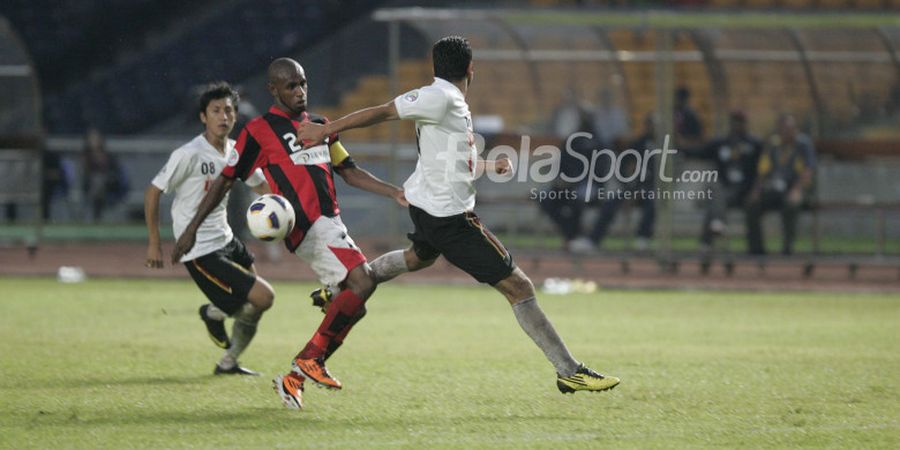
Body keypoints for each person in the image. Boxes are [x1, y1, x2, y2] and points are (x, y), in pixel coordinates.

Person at [299, 36, 620, 396]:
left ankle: (347, 287)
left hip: (427, 208)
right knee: (520, 287)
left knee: (416, 258)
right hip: (449, 218)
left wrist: (486, 165)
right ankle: (569, 370)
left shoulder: (448, 104)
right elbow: (382, 111)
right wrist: (325, 130)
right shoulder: (441, 97)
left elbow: (448, 158)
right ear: (470, 69)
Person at [171, 58, 406, 410]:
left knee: (353, 307)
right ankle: (314, 351)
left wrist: (395, 192)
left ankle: (295, 376)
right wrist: (191, 229)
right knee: (362, 281)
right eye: (291, 86)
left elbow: (350, 172)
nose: (299, 92)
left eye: (303, 83)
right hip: (309, 225)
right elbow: (226, 180)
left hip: (332, 223)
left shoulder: (322, 126)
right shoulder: (258, 131)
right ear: (273, 90)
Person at [145, 82, 275, 376]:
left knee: (256, 306)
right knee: (263, 297)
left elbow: (262, 186)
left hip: (228, 239)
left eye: (228, 110)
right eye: (215, 110)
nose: (223, 116)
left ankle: (227, 360)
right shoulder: (189, 154)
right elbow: (153, 192)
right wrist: (154, 243)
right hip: (200, 249)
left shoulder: (236, 153)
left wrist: (282, 211)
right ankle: (213, 313)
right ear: (204, 117)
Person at [580, 113, 658, 251]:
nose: (652, 129)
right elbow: (622, 166)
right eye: (650, 125)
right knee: (610, 203)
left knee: (653, 200)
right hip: (635, 188)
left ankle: (643, 237)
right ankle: (593, 240)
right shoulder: (639, 144)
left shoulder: (667, 145)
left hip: (656, 190)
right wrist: (630, 186)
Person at [687, 111, 762, 249]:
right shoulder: (720, 143)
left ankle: (707, 242)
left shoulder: (755, 145)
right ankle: (716, 228)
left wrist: (756, 190)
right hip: (725, 190)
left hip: (746, 191)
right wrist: (677, 142)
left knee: (713, 199)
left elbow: (762, 170)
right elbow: (697, 152)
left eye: (740, 122)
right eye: (734, 122)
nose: (737, 126)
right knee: (714, 189)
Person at [745, 114, 816, 255]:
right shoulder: (773, 145)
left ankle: (787, 247)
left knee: (790, 205)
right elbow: (763, 171)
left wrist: (796, 190)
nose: (786, 132)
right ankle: (756, 249)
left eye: (790, 129)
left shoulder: (803, 145)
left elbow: (808, 170)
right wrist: (756, 191)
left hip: (796, 189)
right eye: (783, 129)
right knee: (751, 204)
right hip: (774, 189)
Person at [82, 127, 129, 221]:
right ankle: (97, 212)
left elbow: (116, 173)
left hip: (109, 185)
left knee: (99, 182)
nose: (94, 141)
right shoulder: (86, 157)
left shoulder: (108, 156)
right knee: (96, 181)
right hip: (90, 186)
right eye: (92, 139)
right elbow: (85, 175)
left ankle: (97, 215)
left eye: (96, 138)